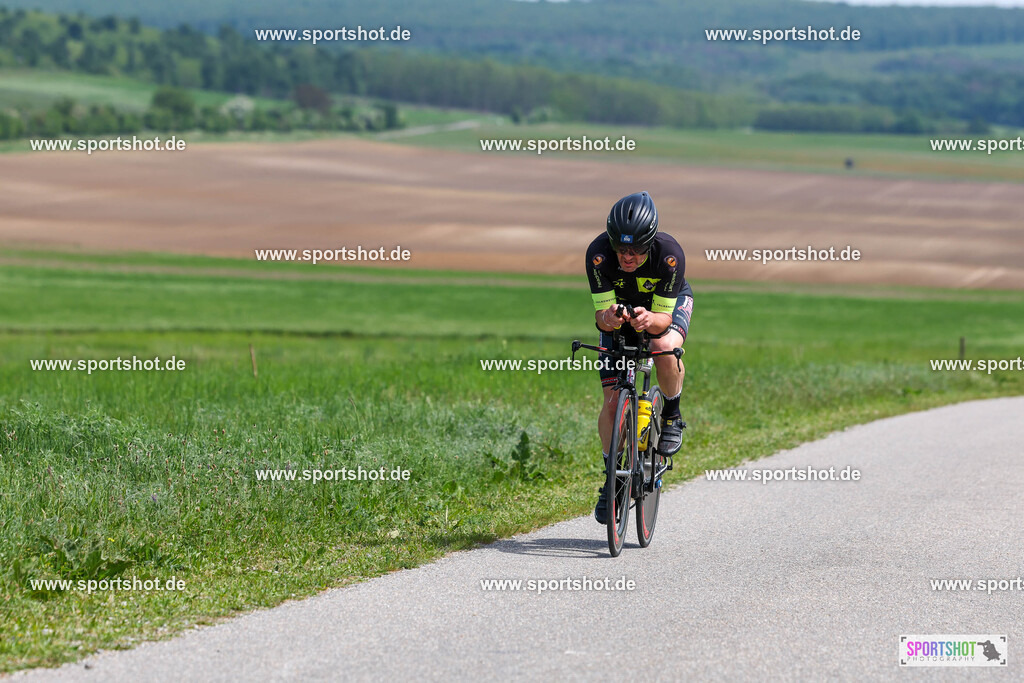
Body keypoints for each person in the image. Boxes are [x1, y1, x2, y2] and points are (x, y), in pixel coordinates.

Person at [585, 191, 693, 524]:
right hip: (622, 316)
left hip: (662, 311)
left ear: (650, 243)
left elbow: (661, 321)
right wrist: (612, 317)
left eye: (634, 250)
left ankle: (672, 415)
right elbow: (600, 317)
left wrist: (649, 319)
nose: (626, 256)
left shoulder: (669, 256)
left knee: (661, 347)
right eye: (620, 248)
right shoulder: (599, 254)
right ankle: (611, 478)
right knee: (613, 403)